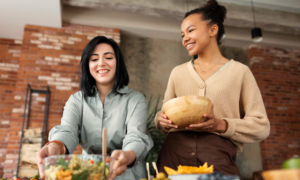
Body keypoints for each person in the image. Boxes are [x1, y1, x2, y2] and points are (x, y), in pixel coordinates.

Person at [155, 0, 270, 178]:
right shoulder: (177, 73)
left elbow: (261, 126)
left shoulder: (239, 72)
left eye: (191, 30)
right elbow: (164, 115)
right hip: (173, 154)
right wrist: (160, 119)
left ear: (213, 30)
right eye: (182, 34)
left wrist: (221, 125)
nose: (185, 38)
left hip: (218, 155)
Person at [36, 36, 153, 180]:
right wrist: (55, 146)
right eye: (94, 59)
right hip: (89, 173)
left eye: (108, 57)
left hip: (128, 174)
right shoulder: (76, 100)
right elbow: (68, 130)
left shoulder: (135, 100)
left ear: (118, 63)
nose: (101, 63)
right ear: (87, 65)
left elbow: (136, 137)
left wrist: (127, 155)